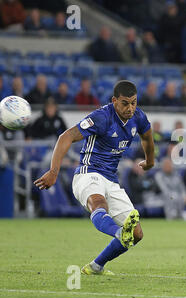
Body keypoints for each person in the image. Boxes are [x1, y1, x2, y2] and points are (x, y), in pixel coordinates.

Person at [33, 80, 155, 275]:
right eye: (125, 103)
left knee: (137, 234)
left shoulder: (138, 117)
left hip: (111, 180)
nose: (130, 108)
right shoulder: (101, 117)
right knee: (98, 204)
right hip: (88, 173)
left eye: (134, 102)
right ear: (114, 100)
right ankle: (118, 232)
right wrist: (54, 171)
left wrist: (150, 161)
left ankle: (96, 266)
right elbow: (66, 136)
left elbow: (147, 136)